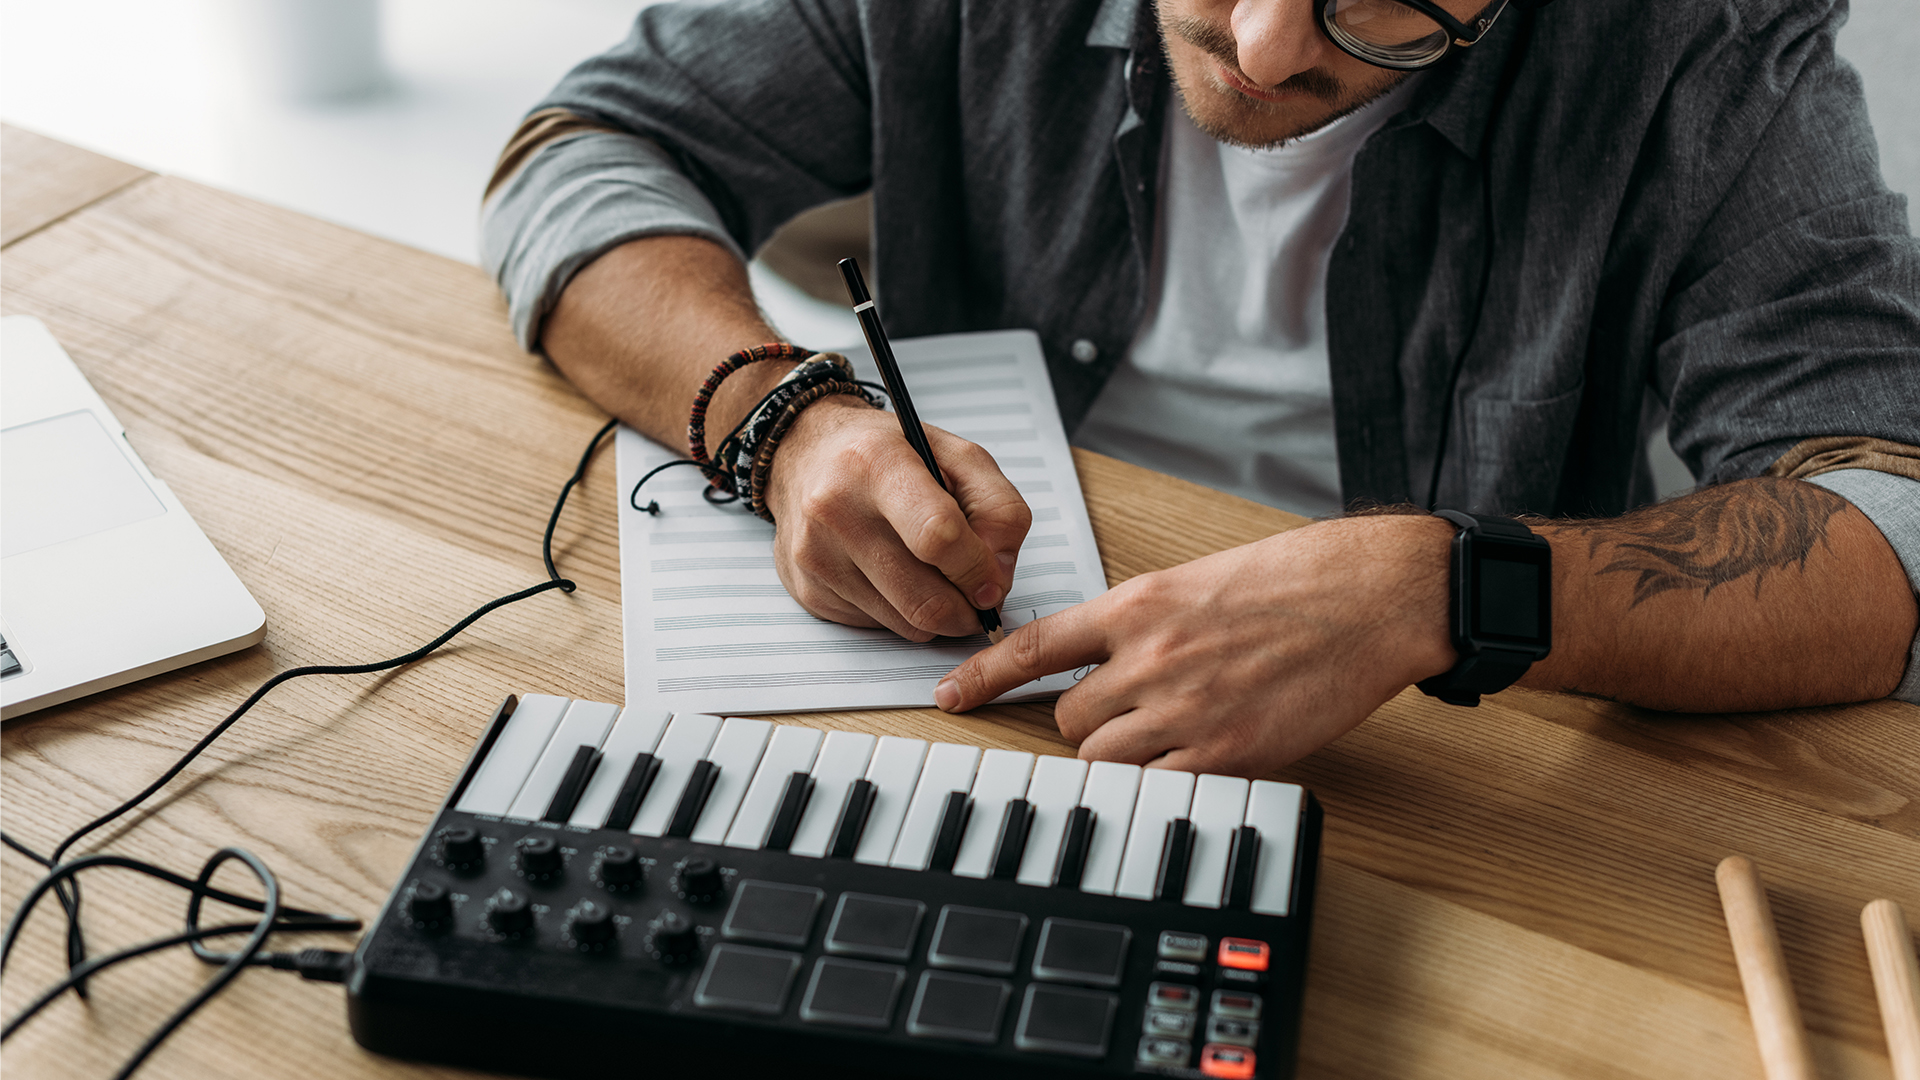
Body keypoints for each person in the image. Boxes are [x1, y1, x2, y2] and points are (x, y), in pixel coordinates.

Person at [481, 0, 1920, 776]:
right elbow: (581, 151)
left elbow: (1892, 522)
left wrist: (1444, 589)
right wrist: (781, 420)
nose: (1269, 43)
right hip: (932, 705)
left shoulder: (1707, 48)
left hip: (1434, 753)